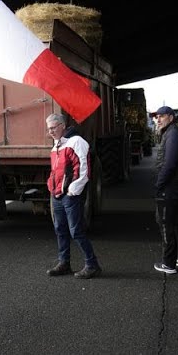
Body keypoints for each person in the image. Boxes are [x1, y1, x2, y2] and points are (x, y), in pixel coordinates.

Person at [45, 113, 102, 279]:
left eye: (54, 127)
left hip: (69, 195)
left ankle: (92, 265)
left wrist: (72, 191)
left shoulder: (76, 142)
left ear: (62, 125)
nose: (51, 131)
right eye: (49, 129)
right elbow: (56, 171)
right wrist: (51, 186)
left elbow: (84, 169)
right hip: (57, 195)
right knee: (60, 229)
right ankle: (64, 263)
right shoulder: (57, 144)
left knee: (76, 231)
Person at [151, 106, 178, 274]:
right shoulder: (173, 132)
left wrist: (159, 184)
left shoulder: (173, 134)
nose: (158, 119)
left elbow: (170, 164)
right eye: (157, 117)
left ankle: (168, 264)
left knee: (165, 223)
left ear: (170, 117)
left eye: (161, 116)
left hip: (170, 186)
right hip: (177, 184)